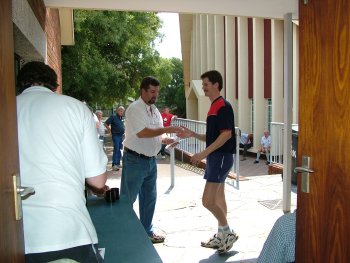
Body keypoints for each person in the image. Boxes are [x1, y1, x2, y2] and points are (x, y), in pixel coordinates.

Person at [16, 61, 108, 263]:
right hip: (68, 231)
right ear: (54, 85)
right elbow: (98, 181)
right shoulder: (76, 108)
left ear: (20, 85)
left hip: (16, 238)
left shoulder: (6, 111)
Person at [177, 70, 238, 254]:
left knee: (207, 201)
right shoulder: (214, 106)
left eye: (205, 84)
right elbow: (213, 137)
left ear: (216, 85)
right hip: (216, 157)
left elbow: (226, 134)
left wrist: (203, 154)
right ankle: (222, 236)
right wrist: (193, 134)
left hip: (220, 158)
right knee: (219, 198)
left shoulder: (223, 106)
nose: (203, 88)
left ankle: (228, 232)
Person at [120, 76, 183, 244]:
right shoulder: (134, 109)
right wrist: (168, 128)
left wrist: (166, 139)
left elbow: (157, 133)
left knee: (149, 198)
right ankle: (123, 233)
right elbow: (143, 132)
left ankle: (146, 231)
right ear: (143, 91)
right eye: (152, 92)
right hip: (134, 160)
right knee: (128, 199)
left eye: (157, 92)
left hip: (150, 161)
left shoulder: (154, 110)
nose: (156, 95)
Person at [104, 106, 125, 171]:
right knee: (116, 149)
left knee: (120, 149)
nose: (121, 112)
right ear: (117, 111)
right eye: (120, 111)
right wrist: (110, 130)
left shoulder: (121, 117)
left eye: (122, 111)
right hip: (116, 135)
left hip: (121, 135)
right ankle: (114, 164)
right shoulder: (113, 116)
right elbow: (105, 123)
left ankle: (118, 163)